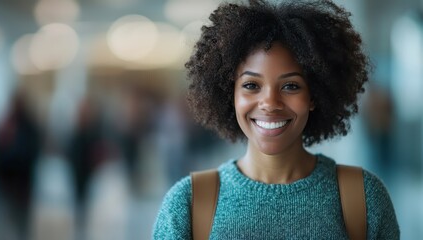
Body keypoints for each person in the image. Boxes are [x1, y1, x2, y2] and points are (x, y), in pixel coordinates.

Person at [153, 0, 400, 239]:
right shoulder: (187, 203)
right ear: (231, 95)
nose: (270, 103)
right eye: (251, 85)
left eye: (291, 86)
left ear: (314, 95)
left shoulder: (364, 199)